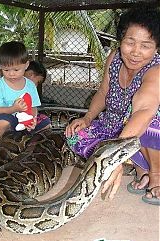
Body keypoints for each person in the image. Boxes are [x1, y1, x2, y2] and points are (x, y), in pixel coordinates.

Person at [65, 6, 160, 205]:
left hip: (144, 128)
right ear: (121, 41)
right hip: (116, 128)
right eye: (130, 42)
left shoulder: (156, 70)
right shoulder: (115, 57)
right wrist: (87, 117)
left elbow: (144, 111)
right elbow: (103, 92)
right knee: (75, 136)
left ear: (156, 47)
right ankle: (138, 165)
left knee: (149, 118)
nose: (135, 52)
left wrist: (114, 156)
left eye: (145, 45)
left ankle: (156, 174)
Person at [0, 41, 51, 166]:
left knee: (46, 123)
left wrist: (33, 119)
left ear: (26, 65)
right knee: (1, 123)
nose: (11, 73)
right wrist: (13, 108)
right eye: (6, 69)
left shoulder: (30, 85)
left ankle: (34, 152)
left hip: (25, 119)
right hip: (7, 116)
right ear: (1, 67)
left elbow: (33, 107)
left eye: (16, 69)